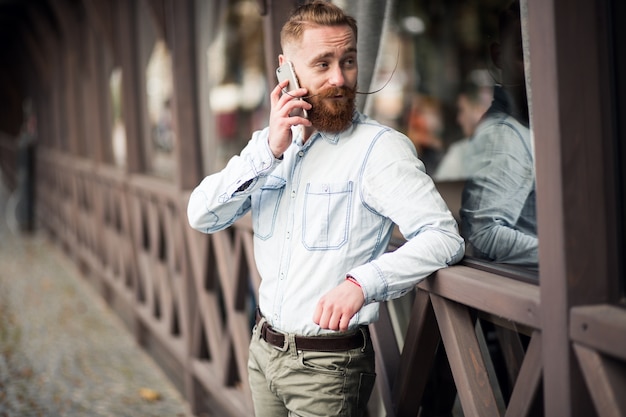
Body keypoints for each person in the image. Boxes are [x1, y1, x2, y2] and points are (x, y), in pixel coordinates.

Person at [187, 2, 464, 415]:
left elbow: (444, 238)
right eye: (323, 64)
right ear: (287, 71)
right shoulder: (269, 146)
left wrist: (362, 283)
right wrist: (267, 151)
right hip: (263, 353)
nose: (340, 78)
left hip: (328, 368)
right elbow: (202, 215)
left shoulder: (379, 149)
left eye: (348, 60)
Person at [460, 0, 538, 269]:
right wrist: (575, 260)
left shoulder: (532, 126)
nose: (539, 66)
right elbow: (483, 234)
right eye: (524, 53)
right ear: (497, 56)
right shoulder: (503, 134)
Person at [433, 80, 492, 181]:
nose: (459, 119)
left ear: (479, 110)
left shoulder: (461, 153)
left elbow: (441, 190)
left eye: (462, 110)